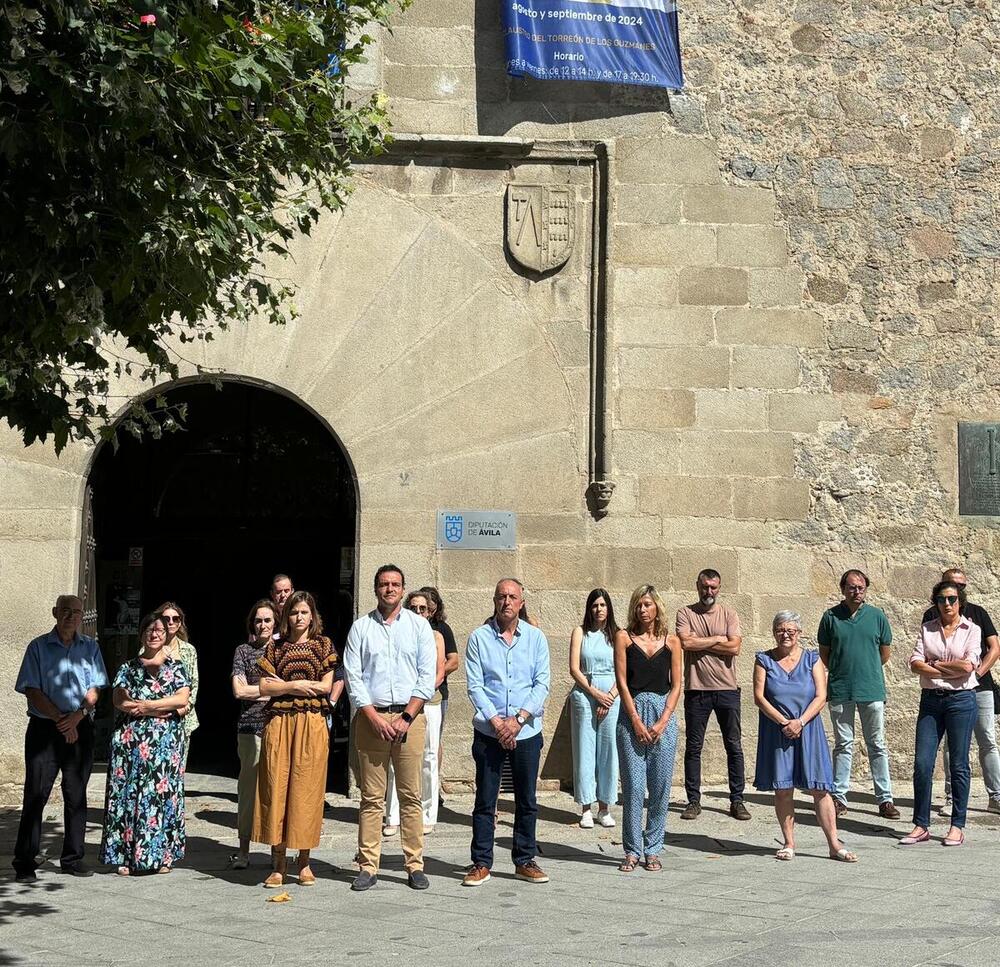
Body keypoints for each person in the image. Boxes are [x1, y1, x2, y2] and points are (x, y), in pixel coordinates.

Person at [343, 565, 436, 892]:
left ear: (403, 588)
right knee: (371, 799)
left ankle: (415, 865)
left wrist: (407, 717)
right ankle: (368, 866)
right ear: (375, 588)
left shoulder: (419, 626)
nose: (389, 589)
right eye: (383, 584)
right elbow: (353, 677)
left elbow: (427, 676)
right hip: (372, 720)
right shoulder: (360, 628)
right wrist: (374, 717)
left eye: (395, 584)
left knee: (411, 796)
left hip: (410, 721)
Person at [13, 595, 108, 882]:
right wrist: (61, 720)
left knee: (76, 795)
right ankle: (25, 862)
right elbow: (32, 689)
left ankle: (73, 859)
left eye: (76, 612)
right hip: (45, 730)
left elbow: (96, 688)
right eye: (65, 611)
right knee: (36, 795)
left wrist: (78, 716)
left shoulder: (90, 648)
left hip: (81, 727)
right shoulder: (38, 647)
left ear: (82, 616)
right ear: (55, 612)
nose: (71, 616)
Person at [463, 578, 551, 887]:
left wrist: (518, 720)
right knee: (486, 800)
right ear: (494, 600)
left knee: (526, 799)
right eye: (502, 596)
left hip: (526, 732)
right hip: (489, 732)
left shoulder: (537, 639)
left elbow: (542, 684)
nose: (507, 602)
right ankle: (481, 862)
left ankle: (524, 859)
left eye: (513, 597)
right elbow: (475, 685)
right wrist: (498, 723)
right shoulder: (478, 638)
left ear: (522, 602)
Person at [753, 611, 857, 863]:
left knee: (820, 788)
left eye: (791, 630)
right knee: (783, 789)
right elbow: (759, 697)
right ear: (774, 632)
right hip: (777, 731)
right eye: (780, 629)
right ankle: (789, 843)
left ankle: (834, 844)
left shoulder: (812, 658)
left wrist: (800, 721)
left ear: (799, 633)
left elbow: (821, 695)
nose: (785, 634)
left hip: (808, 728)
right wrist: (784, 722)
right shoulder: (764, 660)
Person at [253, 591, 336, 887]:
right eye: (293, 613)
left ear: (312, 615)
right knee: (276, 787)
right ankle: (277, 863)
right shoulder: (275, 647)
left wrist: (285, 686)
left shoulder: (323, 644)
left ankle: (304, 860)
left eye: (303, 612)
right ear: (285, 616)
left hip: (311, 722)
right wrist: (298, 684)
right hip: (279, 722)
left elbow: (326, 685)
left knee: (306, 789)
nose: (298, 618)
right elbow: (264, 684)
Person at [100, 612, 191, 875]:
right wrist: (154, 708)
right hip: (131, 742)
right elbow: (119, 700)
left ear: (167, 636)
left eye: (160, 631)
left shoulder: (176, 668)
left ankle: (163, 856)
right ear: (142, 634)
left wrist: (146, 706)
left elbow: (181, 700)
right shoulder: (128, 668)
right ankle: (126, 857)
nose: (155, 634)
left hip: (164, 744)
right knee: (129, 795)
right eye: (150, 630)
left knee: (162, 797)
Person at [900, 579, 981, 847]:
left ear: (960, 602)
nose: (947, 604)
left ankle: (957, 824)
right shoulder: (927, 629)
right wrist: (948, 668)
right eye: (942, 600)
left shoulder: (973, 630)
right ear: (935, 603)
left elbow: (969, 666)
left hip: (961, 701)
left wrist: (933, 665)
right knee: (923, 764)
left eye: (952, 599)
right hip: (931, 701)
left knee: (958, 765)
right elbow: (914, 664)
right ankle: (921, 824)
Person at [817, 570, 899, 819]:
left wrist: (866, 670)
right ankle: (839, 797)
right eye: (851, 587)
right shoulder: (830, 617)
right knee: (843, 745)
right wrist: (843, 671)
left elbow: (884, 653)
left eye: (861, 587)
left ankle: (885, 799)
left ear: (866, 589)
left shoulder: (877, 616)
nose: (857, 591)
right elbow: (825, 654)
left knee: (877, 745)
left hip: (871, 689)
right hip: (841, 689)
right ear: (843, 589)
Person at [613, 584, 682, 873]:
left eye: (647, 605)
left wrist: (664, 720)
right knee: (633, 786)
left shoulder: (673, 641)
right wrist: (636, 721)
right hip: (632, 714)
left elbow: (677, 684)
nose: (642, 610)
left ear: (657, 608)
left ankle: (653, 848)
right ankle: (631, 850)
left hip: (663, 715)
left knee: (661, 786)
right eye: (638, 605)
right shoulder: (624, 638)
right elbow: (622, 682)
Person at [921, 568, 1000, 816]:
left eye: (961, 587)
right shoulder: (931, 615)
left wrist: (975, 674)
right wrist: (947, 671)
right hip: (946, 690)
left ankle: (996, 796)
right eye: (952, 585)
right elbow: (920, 657)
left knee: (987, 739)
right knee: (950, 745)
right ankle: (950, 797)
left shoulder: (977, 614)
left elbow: (994, 648)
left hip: (980, 688)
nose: (955, 592)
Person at [676, 569, 750, 821]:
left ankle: (737, 799)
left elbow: (736, 647)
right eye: (705, 586)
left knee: (734, 745)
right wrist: (719, 639)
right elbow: (685, 644)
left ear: (719, 588)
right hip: (697, 690)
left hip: (727, 689)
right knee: (694, 747)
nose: (709, 591)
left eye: (714, 587)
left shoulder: (729, 613)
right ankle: (693, 801)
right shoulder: (686, 613)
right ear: (697, 585)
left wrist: (704, 640)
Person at [384, 592, 446, 836]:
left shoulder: (436, 636)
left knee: (429, 757)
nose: (418, 612)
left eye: (423, 608)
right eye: (413, 608)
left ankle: (428, 813)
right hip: (401, 704)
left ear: (430, 612)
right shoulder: (398, 632)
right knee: (393, 759)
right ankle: (393, 816)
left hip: (429, 702)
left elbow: (439, 672)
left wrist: (420, 696)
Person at [229, 599, 278, 869]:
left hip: (277, 726)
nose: (263, 625)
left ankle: (276, 851)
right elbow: (238, 690)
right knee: (248, 791)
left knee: (274, 790)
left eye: (268, 620)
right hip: (250, 729)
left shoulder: (283, 650)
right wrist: (272, 690)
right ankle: (244, 850)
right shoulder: (243, 651)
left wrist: (256, 689)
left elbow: (290, 688)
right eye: (258, 620)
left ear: (275, 623)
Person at [569, 588, 620, 828]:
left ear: (609, 608)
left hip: (612, 694)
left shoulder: (618, 635)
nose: (599, 609)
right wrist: (595, 694)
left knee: (609, 751)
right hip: (586, 694)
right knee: (584, 750)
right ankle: (586, 807)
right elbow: (574, 668)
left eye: (602, 605)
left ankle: (605, 806)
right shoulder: (580, 632)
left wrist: (609, 696)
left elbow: (624, 671)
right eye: (594, 605)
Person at [419, 585, 459, 799]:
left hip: (437, 692)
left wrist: (439, 670)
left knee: (435, 741)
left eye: (430, 607)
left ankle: (433, 787)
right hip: (414, 695)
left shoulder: (442, 629)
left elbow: (454, 660)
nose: (426, 611)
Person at [156, 601, 199, 770]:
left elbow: (194, 684)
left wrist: (183, 709)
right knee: (156, 770)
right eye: (167, 618)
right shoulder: (149, 648)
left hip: (182, 718)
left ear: (181, 622)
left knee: (177, 770)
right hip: (155, 717)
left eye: (176, 618)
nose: (171, 622)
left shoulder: (189, 650)